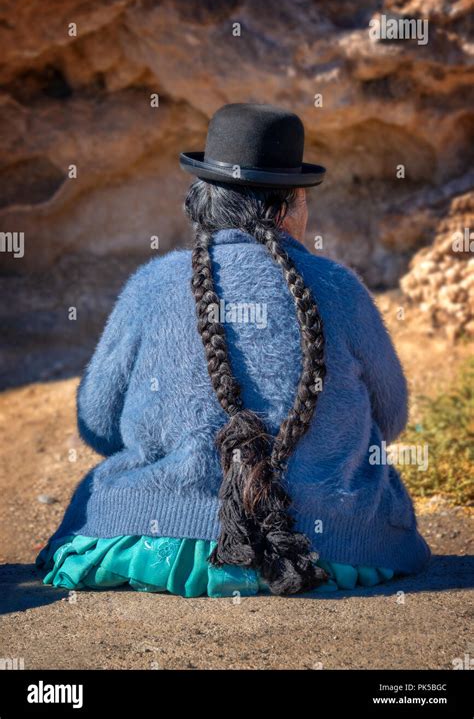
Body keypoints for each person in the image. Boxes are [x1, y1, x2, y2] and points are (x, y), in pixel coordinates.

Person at [36, 103, 431, 597]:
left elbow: (96, 423)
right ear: (290, 206)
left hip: (155, 544)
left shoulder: (151, 285)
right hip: (331, 551)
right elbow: (390, 419)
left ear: (202, 201)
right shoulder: (341, 288)